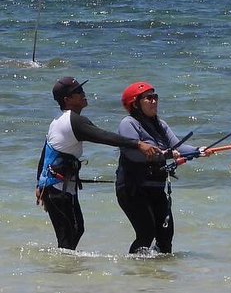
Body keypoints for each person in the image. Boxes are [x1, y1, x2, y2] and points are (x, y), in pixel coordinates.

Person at [36, 76, 159, 251]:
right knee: (70, 235)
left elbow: (45, 151)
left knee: (75, 231)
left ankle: (63, 272)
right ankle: (62, 273)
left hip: (57, 187)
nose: (83, 94)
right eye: (78, 92)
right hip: (57, 188)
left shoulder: (60, 120)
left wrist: (39, 183)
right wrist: (138, 144)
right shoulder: (74, 121)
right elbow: (104, 136)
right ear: (67, 100)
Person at [115, 81, 206, 255]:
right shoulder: (128, 123)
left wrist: (199, 151)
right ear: (135, 103)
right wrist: (166, 154)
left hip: (155, 188)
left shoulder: (160, 125)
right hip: (133, 189)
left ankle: (160, 278)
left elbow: (177, 147)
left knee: (165, 235)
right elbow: (135, 154)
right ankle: (135, 274)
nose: (154, 101)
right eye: (148, 98)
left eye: (155, 97)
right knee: (146, 234)